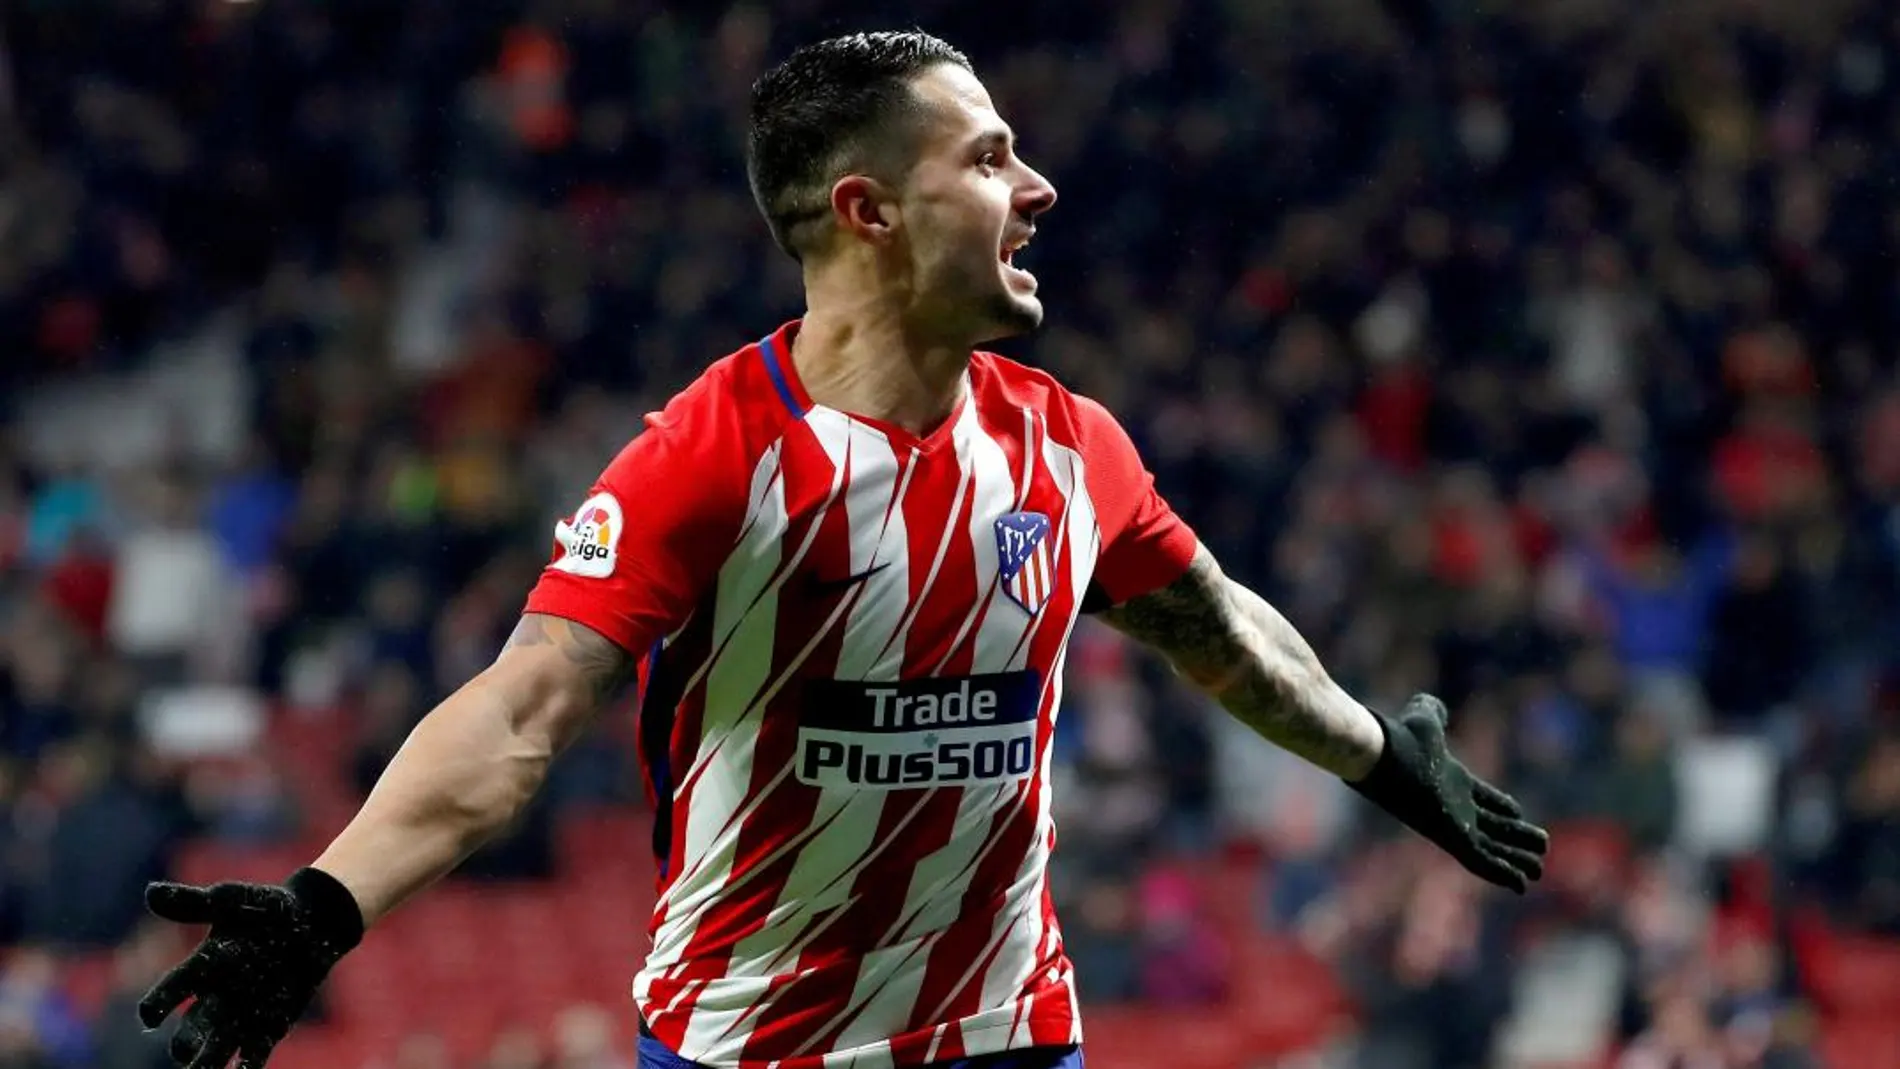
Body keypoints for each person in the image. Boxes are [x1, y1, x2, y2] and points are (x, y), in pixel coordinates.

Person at [134, 31, 1549, 1069]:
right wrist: (328, 903)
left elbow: (1219, 633)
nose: (1040, 187)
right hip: (751, 1053)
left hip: (1009, 1039)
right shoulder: (716, 452)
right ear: (868, 210)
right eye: (990, 158)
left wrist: (1380, 754)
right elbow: (522, 706)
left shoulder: (1070, 444)